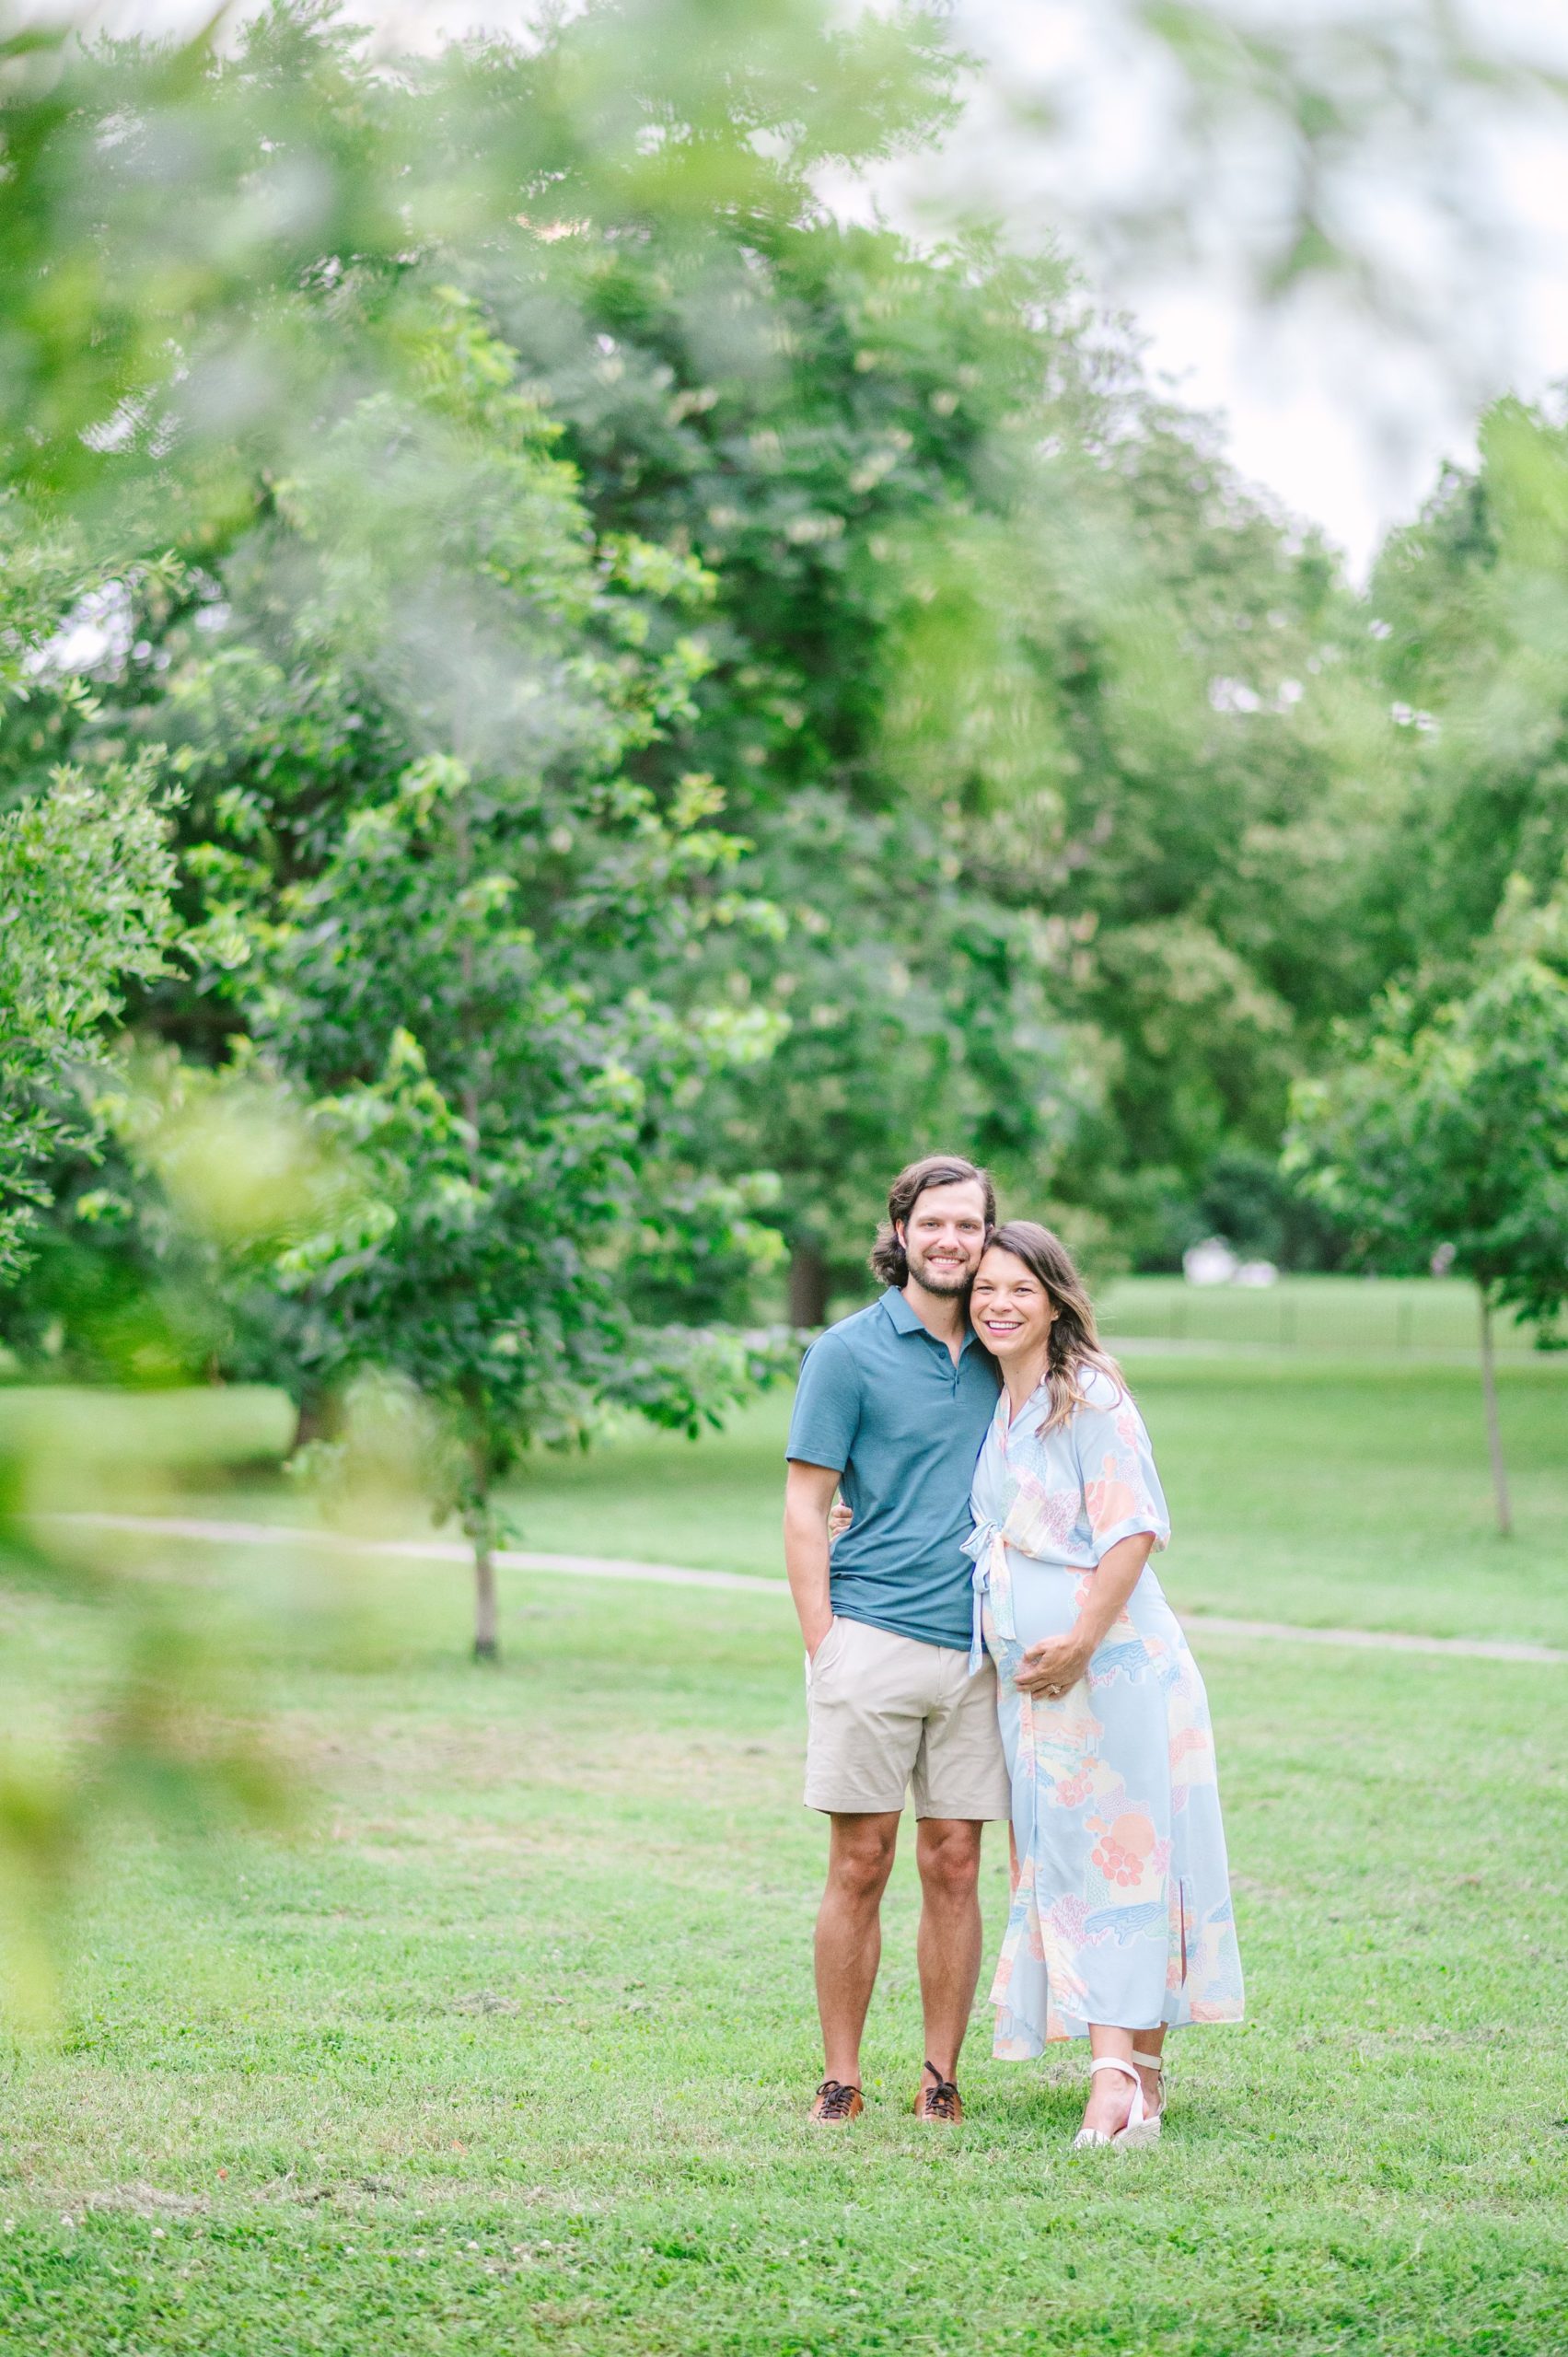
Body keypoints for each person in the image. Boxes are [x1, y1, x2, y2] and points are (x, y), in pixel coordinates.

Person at [965, 1221, 1244, 2148]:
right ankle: (1143, 2082)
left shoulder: (1087, 1395)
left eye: (1017, 1288)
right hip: (1036, 1687)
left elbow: (1131, 1531)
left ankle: (1111, 2079)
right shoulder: (993, 1399)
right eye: (983, 1289)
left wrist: (1079, 1641)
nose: (997, 1304)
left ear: (1054, 1298)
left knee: (1119, 1863)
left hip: (1114, 1670)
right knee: (1073, 1862)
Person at [783, 1155, 1011, 2125]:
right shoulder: (845, 1351)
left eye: (968, 1225)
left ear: (986, 1235)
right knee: (860, 1860)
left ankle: (939, 2077)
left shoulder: (1011, 1347)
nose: (950, 1241)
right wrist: (823, 1644)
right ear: (901, 1231)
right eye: (933, 1224)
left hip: (979, 1651)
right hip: (868, 1635)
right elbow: (802, 1505)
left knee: (954, 1858)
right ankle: (840, 2079)